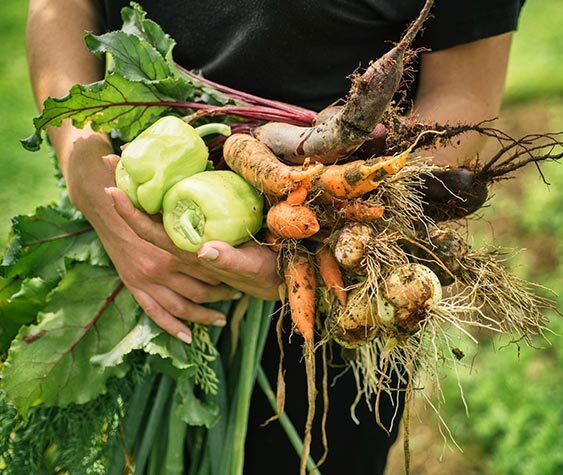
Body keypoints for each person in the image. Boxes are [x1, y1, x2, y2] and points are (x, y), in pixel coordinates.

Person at [26, 1, 523, 472]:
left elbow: (463, 96)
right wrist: (83, 162)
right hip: (129, 243)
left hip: (344, 289)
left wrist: (319, 237)